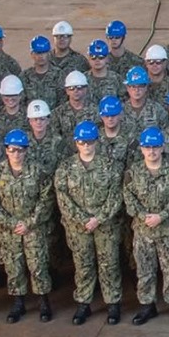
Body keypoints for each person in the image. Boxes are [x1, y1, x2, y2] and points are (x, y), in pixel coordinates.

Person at [55, 120, 126, 324]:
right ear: (76, 142)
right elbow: (63, 197)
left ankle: (113, 303)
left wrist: (99, 218)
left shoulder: (110, 166)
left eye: (90, 141)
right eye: (82, 142)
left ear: (97, 141)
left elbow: (116, 196)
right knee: (83, 265)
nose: (86, 145)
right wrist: (83, 219)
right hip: (78, 227)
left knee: (109, 264)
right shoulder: (66, 168)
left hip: (105, 225)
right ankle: (83, 303)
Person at [0, 129, 55, 323]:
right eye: (12, 149)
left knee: (38, 265)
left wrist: (30, 222)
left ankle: (43, 301)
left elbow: (46, 199)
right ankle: (18, 302)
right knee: (13, 267)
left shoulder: (38, 171)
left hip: (33, 228)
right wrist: (11, 223)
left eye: (20, 150)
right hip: (9, 231)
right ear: (6, 150)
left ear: (26, 150)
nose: (16, 154)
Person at [123, 127, 169, 324]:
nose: (151, 151)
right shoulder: (133, 172)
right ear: (142, 149)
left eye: (155, 147)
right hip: (143, 231)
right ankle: (147, 305)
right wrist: (143, 215)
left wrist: (162, 215)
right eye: (147, 147)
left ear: (162, 148)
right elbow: (128, 197)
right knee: (144, 271)